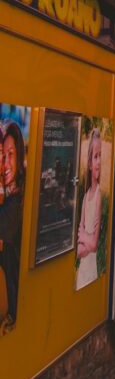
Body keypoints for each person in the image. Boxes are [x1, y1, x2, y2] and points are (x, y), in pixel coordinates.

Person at [0, 121, 26, 328]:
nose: (6, 163)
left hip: (15, 312)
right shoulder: (11, 198)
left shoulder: (15, 203)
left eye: (11, 155)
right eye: (3, 156)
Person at [76, 128, 103, 290]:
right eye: (95, 157)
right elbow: (80, 242)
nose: (99, 161)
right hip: (82, 268)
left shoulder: (99, 195)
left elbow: (93, 243)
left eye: (100, 156)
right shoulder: (86, 196)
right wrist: (87, 238)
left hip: (91, 269)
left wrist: (85, 237)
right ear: (89, 164)